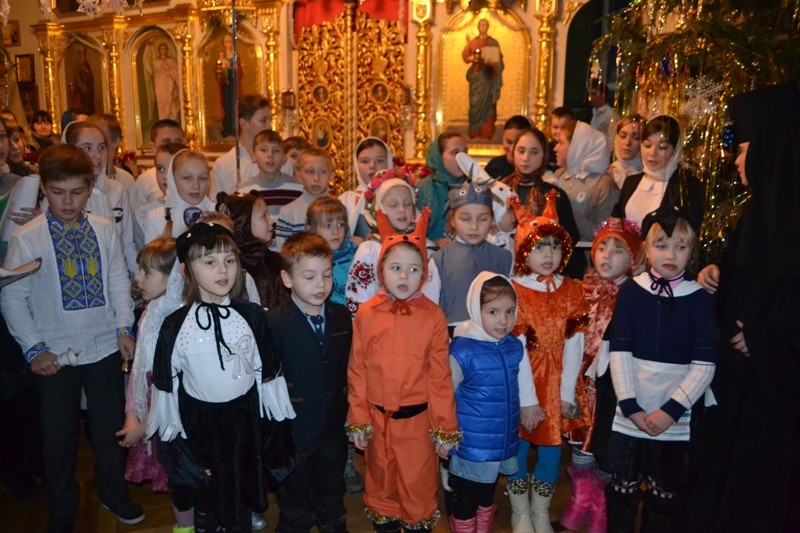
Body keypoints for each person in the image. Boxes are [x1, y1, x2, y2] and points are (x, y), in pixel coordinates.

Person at [1, 144, 144, 529]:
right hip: (54, 354)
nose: (68, 201)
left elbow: (118, 280)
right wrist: (35, 349)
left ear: (90, 187)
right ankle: (62, 511)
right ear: (44, 188)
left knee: (110, 429)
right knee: (58, 439)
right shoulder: (27, 237)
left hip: (104, 347)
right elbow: (13, 297)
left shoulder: (104, 228)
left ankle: (113, 492)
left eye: (77, 192)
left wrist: (124, 328)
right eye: (58, 192)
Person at [692, 82, 800, 532]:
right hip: (737, 387)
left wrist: (764, 337)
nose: (736, 160)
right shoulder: (756, 215)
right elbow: (749, 280)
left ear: (771, 152)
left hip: (777, 393)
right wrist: (717, 275)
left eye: (743, 150)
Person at [148, 222, 296, 531]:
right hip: (201, 427)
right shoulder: (175, 326)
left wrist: (271, 436)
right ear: (187, 270)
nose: (223, 269)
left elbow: (268, 375)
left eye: (229, 260)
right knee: (208, 500)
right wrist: (181, 452)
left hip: (244, 423)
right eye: (210, 262)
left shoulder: (252, 317)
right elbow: (166, 389)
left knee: (239, 497)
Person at [599, 206, 716, 532]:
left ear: (692, 251)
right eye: (662, 246)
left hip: (677, 411)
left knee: (665, 495)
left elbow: (704, 366)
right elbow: (619, 354)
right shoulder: (631, 292)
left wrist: (671, 412)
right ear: (646, 250)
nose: (671, 255)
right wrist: (630, 406)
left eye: (681, 247)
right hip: (631, 407)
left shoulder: (699, 300)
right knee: (622, 490)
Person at [347, 207, 460, 532]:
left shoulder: (433, 316)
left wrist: (444, 427)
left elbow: (439, 377)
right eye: (395, 268)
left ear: (424, 274)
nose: (403, 277)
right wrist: (358, 418)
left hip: (417, 424)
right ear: (381, 270)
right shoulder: (367, 314)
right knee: (381, 484)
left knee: (417, 486)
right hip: (378, 422)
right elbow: (358, 370)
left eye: (413, 269)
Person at [506, 190, 588, 533]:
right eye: (540, 247)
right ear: (525, 250)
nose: (548, 254)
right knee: (519, 446)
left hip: (558, 382)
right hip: (525, 379)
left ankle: (540, 510)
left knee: (552, 447)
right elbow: (516, 347)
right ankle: (520, 511)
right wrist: (526, 401)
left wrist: (567, 392)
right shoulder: (515, 289)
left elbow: (575, 342)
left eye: (555, 246)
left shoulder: (572, 290)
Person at [560, 217, 643, 533]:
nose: (607, 255)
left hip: (616, 389)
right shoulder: (582, 290)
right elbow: (570, 337)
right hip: (583, 384)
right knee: (581, 447)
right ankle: (579, 501)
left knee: (607, 450)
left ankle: (599, 507)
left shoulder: (636, 294)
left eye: (618, 250)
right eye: (602, 247)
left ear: (632, 258)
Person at [268, 232, 351, 532]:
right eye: (310, 277)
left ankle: (332, 522)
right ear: (287, 279)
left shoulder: (342, 316)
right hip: (294, 429)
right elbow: (269, 379)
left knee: (332, 488)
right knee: (295, 496)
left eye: (327, 275)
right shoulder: (274, 322)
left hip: (333, 426)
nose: (321, 284)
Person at [446, 272, 535, 533]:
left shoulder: (513, 346)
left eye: (509, 311)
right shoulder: (462, 349)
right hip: (470, 444)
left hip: (501, 439)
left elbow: (524, 381)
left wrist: (529, 406)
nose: (503, 321)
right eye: (493, 312)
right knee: (466, 496)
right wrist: (445, 432)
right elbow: (445, 395)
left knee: (487, 494)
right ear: (476, 309)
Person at [115, 237, 191, 529]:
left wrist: (146, 426)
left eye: (147, 272)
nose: (138, 278)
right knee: (173, 475)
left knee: (187, 472)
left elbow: (177, 387)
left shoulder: (183, 318)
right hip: (153, 404)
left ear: (174, 277)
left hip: (177, 412)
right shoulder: (151, 312)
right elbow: (139, 371)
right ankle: (185, 526)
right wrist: (132, 413)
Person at [345, 167, 439, 317]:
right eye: (393, 205)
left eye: (407, 204)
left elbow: (431, 295)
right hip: (379, 325)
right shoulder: (370, 249)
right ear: (379, 208)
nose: (402, 210)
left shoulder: (426, 247)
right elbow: (357, 298)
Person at [501, 127, 586, 278]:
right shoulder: (500, 190)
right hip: (504, 269)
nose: (526, 158)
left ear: (544, 156)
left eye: (534, 152)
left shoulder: (553, 196)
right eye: (521, 151)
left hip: (545, 274)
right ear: (513, 152)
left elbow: (570, 239)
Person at [428, 181, 512, 330]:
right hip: (453, 336)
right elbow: (429, 308)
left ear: (492, 220)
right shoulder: (439, 260)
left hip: (495, 335)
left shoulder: (505, 258)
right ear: (453, 220)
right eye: (465, 219)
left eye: (483, 219)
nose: (474, 226)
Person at [65, 122, 137, 275]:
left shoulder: (118, 190)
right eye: (87, 148)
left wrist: (138, 275)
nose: (97, 156)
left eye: (101, 148)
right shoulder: (64, 195)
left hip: (117, 272)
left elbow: (127, 243)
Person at [613, 115, 704, 230]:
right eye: (647, 145)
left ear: (676, 150)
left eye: (662, 147)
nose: (652, 153)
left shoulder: (687, 187)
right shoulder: (631, 182)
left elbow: (688, 233)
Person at [215, 191, 289, 310]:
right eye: (264, 216)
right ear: (243, 223)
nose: (271, 221)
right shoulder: (234, 266)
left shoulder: (278, 260)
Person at [551, 120, 617, 242]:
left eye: (561, 143)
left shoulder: (603, 184)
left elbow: (605, 234)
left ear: (577, 147)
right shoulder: (559, 174)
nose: (555, 148)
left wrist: (569, 214)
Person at [143, 148, 214, 243]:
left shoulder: (217, 213)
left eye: (202, 178)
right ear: (172, 179)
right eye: (187, 178)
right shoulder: (156, 218)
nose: (196, 186)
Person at [211, 94, 272, 197]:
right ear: (244, 124)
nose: (270, 127)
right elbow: (216, 203)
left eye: (270, 120)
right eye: (263, 121)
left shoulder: (279, 160)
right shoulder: (224, 164)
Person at [238, 129, 302, 223]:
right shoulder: (244, 193)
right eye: (264, 150)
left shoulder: (299, 190)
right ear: (253, 156)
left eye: (276, 150)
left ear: (284, 158)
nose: (270, 155)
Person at [274, 147, 332, 249]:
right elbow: (282, 251)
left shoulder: (340, 208)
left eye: (323, 171)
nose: (316, 178)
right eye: (310, 171)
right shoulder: (288, 212)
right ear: (299, 176)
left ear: (331, 176)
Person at [306, 196, 356, 308]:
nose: (335, 231)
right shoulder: (306, 262)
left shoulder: (356, 256)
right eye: (327, 226)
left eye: (340, 225)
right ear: (311, 230)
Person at [135, 142, 187, 249]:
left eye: (172, 169)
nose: (165, 176)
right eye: (160, 169)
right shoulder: (143, 214)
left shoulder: (200, 208)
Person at [419, 132, 468, 245]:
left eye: (465, 152)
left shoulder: (473, 186)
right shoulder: (424, 188)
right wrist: (433, 243)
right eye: (455, 153)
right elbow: (410, 230)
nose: (463, 158)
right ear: (439, 157)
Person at [340, 137, 393, 239]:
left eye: (380, 160)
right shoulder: (345, 201)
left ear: (389, 163)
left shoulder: (400, 197)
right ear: (356, 165)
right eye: (365, 161)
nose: (372, 166)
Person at [461, 19, 504, 139]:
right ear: (478, 27)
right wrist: (470, 52)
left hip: (488, 77)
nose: (483, 27)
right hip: (476, 77)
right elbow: (466, 57)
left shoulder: (493, 42)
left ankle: (487, 133)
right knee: (475, 104)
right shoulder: (473, 42)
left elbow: (499, 62)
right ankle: (474, 132)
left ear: (488, 26)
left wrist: (493, 63)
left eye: (485, 25)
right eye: (481, 25)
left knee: (488, 105)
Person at [133, 119, 186, 214]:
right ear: (153, 147)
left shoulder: (195, 175)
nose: (173, 146)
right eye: (166, 142)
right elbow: (139, 214)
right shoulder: (145, 180)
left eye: (178, 141)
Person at [485, 115, 533, 179]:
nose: (512, 149)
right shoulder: (495, 166)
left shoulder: (534, 167)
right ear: (502, 138)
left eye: (518, 143)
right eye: (509, 142)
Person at [607, 114, 644, 189]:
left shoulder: (647, 175)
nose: (627, 142)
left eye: (636, 138)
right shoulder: (609, 172)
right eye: (623, 136)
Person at [217, 33, 243, 138]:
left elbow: (240, 72)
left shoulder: (235, 56)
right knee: (227, 105)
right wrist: (222, 70)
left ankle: (234, 128)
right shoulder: (222, 56)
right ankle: (227, 128)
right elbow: (217, 71)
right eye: (226, 42)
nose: (228, 44)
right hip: (225, 86)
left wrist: (231, 67)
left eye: (229, 41)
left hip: (234, 85)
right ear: (224, 44)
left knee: (234, 105)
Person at [148, 42, 180, 122]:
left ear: (167, 50)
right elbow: (151, 71)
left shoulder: (171, 61)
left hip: (169, 85)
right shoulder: (156, 61)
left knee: (170, 101)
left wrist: (169, 70)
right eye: (161, 49)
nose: (163, 51)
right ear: (159, 50)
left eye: (164, 49)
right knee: (161, 102)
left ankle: (171, 119)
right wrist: (149, 60)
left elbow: (176, 72)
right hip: (159, 85)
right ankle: (162, 120)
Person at [588, 82, 619, 149]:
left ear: (603, 95)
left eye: (593, 94)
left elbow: (612, 140)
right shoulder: (595, 114)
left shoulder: (611, 114)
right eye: (589, 94)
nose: (590, 98)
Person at [547, 107, 577, 172]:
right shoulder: (546, 148)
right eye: (555, 127)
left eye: (563, 127)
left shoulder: (574, 149)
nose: (559, 131)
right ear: (550, 127)